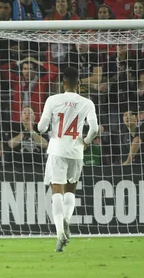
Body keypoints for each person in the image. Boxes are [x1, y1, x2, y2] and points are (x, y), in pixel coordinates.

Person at [37, 67, 99, 252]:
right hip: (76, 152)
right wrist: (86, 141)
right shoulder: (87, 102)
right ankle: (66, 220)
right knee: (71, 190)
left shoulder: (52, 100)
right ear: (79, 83)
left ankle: (59, 233)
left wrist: (47, 127)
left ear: (62, 83)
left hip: (57, 150)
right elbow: (95, 129)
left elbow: (41, 127)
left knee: (57, 191)